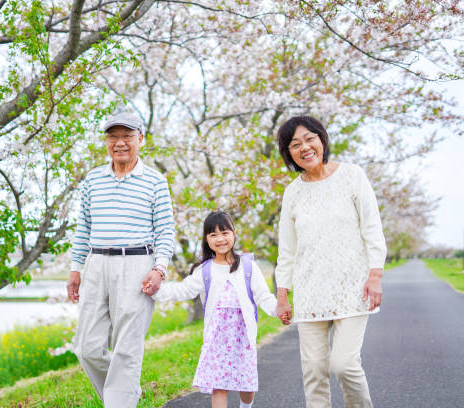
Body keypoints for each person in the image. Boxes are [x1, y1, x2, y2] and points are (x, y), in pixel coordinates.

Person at [274, 115, 387, 408]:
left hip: (353, 287)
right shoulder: (293, 192)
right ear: (289, 154)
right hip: (310, 292)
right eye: (295, 144)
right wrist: (282, 295)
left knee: (345, 364)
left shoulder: (352, 175)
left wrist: (375, 274)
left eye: (310, 138)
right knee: (313, 371)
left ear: (322, 139)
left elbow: (372, 227)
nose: (305, 147)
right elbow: (287, 249)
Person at [66, 111, 175, 407]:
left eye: (127, 136)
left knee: (127, 348)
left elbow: (166, 230)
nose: (120, 143)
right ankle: (124, 395)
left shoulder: (155, 181)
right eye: (113, 136)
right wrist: (75, 269)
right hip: (96, 264)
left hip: (137, 264)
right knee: (87, 347)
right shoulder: (93, 180)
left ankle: (120, 401)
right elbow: (83, 227)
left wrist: (159, 269)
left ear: (140, 139)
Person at [144, 211, 277, 408]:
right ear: (206, 240)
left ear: (234, 233)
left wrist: (279, 310)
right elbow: (183, 290)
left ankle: (246, 406)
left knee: (247, 386)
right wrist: (156, 291)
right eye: (213, 235)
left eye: (224, 232)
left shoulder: (248, 266)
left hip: (243, 338)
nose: (220, 239)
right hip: (217, 341)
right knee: (219, 387)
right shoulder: (205, 270)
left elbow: (263, 296)